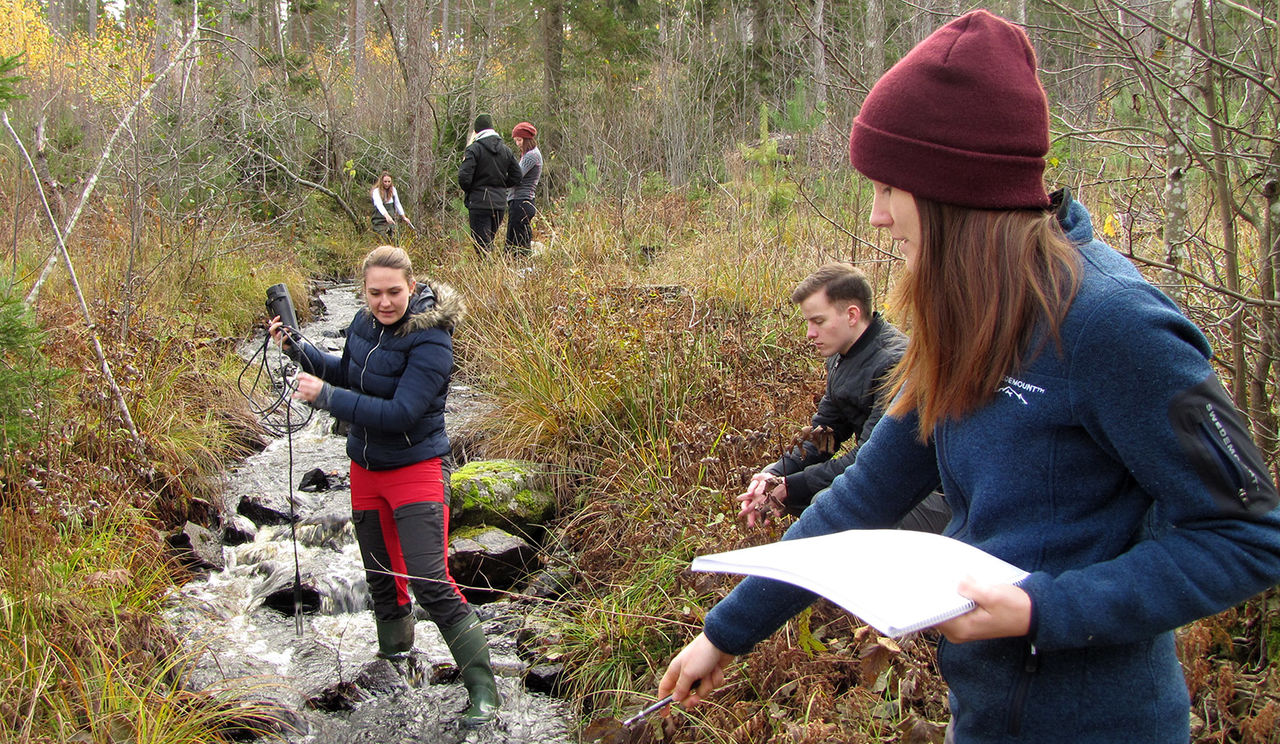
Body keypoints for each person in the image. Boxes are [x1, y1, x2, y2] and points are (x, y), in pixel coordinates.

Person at [658, 11, 1280, 743]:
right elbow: (864, 493)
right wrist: (726, 632)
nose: (878, 216)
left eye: (892, 189)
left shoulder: (1113, 325)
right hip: (982, 716)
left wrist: (1043, 608)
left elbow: (1247, 537)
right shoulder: (971, 314)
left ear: (957, 191)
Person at [268, 246, 499, 727]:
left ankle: (484, 690)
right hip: (366, 471)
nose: (385, 302)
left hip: (416, 468)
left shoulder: (432, 340)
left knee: (429, 581)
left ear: (412, 288)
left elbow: (401, 413)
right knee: (380, 578)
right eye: (375, 292)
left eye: (394, 292)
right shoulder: (361, 324)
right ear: (364, 291)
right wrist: (298, 348)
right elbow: (344, 371)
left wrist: (328, 398)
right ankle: (395, 662)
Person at [737, 263, 950, 533]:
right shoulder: (842, 354)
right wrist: (774, 475)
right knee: (815, 497)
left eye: (819, 321)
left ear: (852, 315)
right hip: (887, 480)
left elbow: (872, 460)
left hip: (937, 497)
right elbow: (823, 435)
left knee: (824, 502)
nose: (810, 334)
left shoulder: (895, 364)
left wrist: (791, 487)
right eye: (808, 322)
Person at [458, 114, 522, 254]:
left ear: (476, 131)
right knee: (488, 243)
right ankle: (492, 273)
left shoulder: (474, 149)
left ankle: (489, 273)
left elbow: (464, 178)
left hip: (479, 203)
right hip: (499, 203)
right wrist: (500, 186)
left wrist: (473, 190)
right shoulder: (506, 150)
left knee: (482, 248)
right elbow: (517, 175)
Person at [505, 121, 543, 255]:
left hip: (521, 202)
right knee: (518, 240)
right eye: (516, 140)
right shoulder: (530, 154)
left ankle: (522, 269)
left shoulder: (531, 156)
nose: (517, 143)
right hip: (523, 202)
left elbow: (515, 177)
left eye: (519, 140)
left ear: (527, 139)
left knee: (516, 244)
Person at [370, 171, 414, 238]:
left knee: (395, 238)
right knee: (383, 239)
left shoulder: (393, 190)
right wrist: (387, 216)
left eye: (389, 181)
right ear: (381, 181)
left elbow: (397, 204)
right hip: (379, 221)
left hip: (392, 221)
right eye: (385, 181)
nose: (387, 184)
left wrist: (404, 217)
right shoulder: (376, 192)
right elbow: (379, 205)